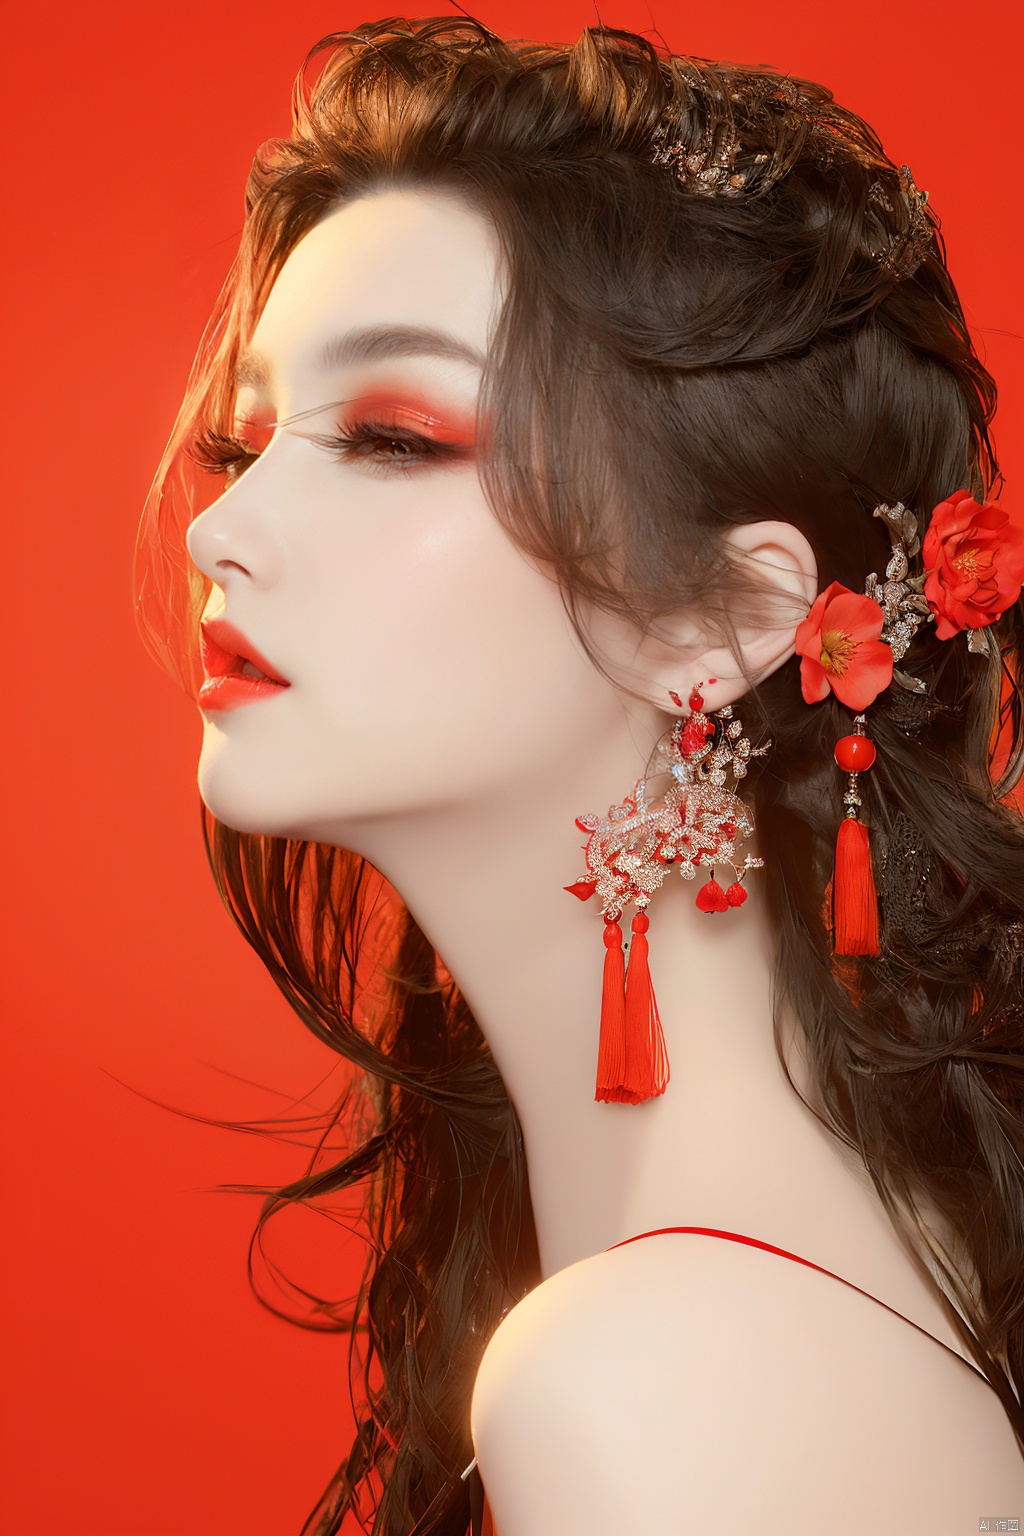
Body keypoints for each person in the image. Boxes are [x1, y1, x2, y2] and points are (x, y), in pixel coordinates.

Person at [135, 15, 1024, 1534]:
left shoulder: (646, 1380)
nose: (220, 529)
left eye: (395, 436)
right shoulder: (839, 1276)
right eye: (247, 438)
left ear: (726, 617)